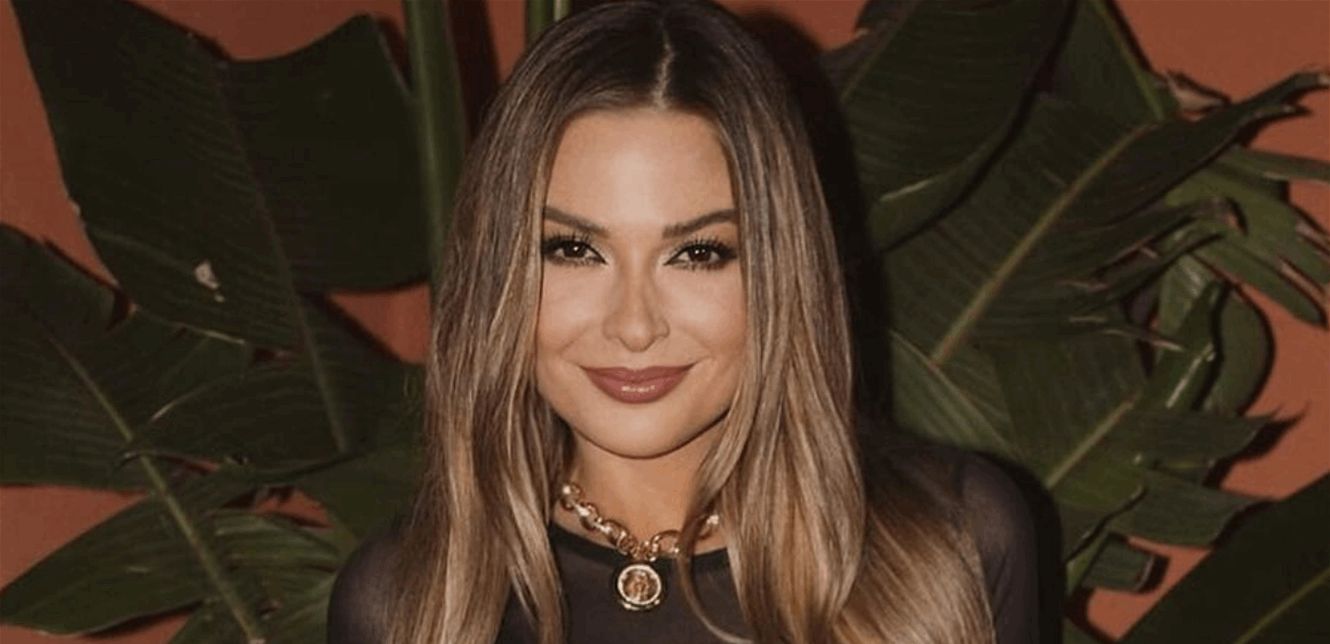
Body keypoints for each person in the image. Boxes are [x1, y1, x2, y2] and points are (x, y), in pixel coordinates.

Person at [327, 0, 1038, 642]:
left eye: (698, 253)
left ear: (777, 270)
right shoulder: (406, 606)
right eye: (574, 250)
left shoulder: (951, 543)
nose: (635, 325)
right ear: (498, 273)